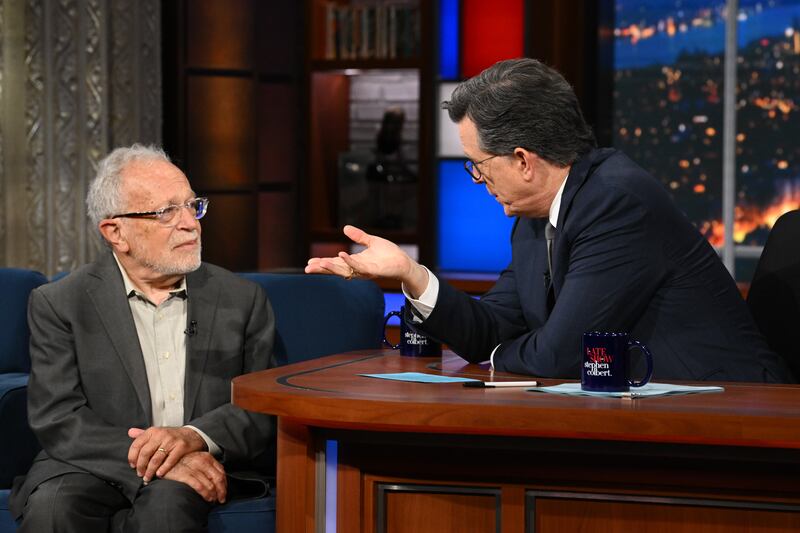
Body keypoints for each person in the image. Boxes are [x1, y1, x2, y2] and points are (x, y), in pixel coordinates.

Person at [306, 58, 794, 383]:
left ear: (523, 160)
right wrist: (411, 276)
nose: (478, 179)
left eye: (479, 165)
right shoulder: (534, 215)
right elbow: (491, 327)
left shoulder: (615, 201)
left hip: (736, 413)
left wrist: (500, 353)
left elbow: (561, 355)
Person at [10, 144, 276, 532]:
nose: (190, 224)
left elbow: (260, 407)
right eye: (167, 211)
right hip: (89, 462)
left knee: (167, 508)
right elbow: (57, 416)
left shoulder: (242, 300)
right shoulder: (61, 303)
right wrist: (164, 456)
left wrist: (192, 438)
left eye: (192, 205)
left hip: (196, 464)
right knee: (54, 508)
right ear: (116, 231)